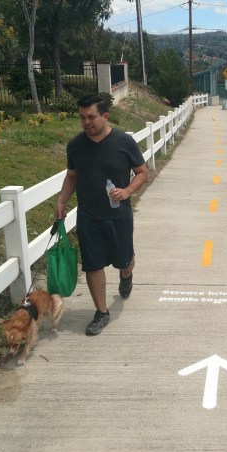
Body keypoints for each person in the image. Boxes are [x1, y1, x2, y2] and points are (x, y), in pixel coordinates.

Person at [55, 95, 148, 335]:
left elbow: (141, 172)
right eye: (82, 118)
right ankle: (101, 312)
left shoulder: (124, 142)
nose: (86, 122)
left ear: (105, 116)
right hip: (88, 216)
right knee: (93, 265)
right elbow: (72, 176)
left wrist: (127, 191)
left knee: (124, 261)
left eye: (91, 117)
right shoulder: (75, 145)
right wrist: (62, 201)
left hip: (119, 216)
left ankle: (126, 275)